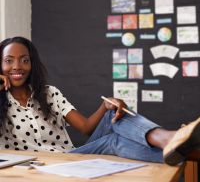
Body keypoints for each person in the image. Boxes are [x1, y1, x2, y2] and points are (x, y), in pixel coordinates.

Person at [0, 37, 199, 166]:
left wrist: (105, 106)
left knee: (114, 113)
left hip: (71, 156)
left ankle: (168, 140)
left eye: (24, 60)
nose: (17, 66)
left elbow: (86, 127)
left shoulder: (48, 93)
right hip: (40, 166)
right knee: (114, 141)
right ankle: (183, 148)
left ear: (32, 63)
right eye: (9, 60)